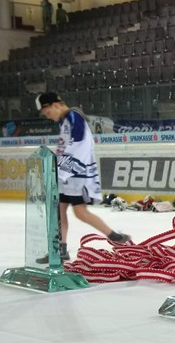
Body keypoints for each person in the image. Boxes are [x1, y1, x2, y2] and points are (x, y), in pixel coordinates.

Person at [35, 92, 130, 262]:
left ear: (54, 105)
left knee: (79, 212)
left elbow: (79, 144)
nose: (48, 117)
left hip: (75, 176)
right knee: (59, 210)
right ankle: (60, 249)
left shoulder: (73, 117)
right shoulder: (66, 120)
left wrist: (62, 170)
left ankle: (114, 236)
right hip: (69, 176)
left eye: (47, 113)